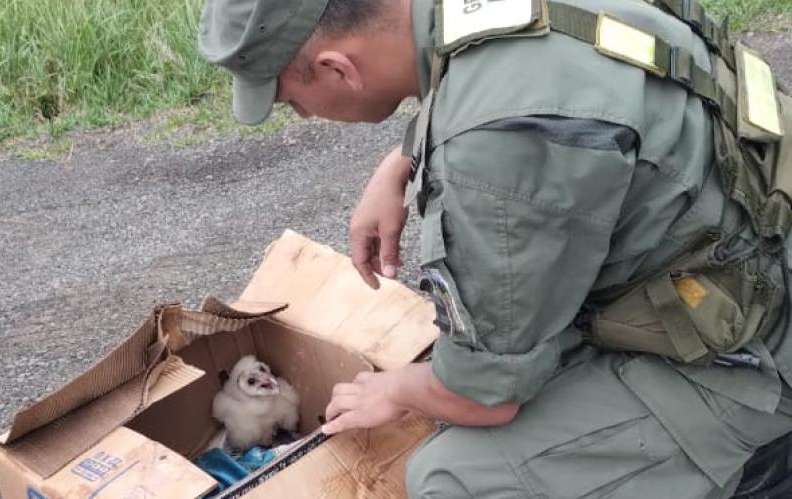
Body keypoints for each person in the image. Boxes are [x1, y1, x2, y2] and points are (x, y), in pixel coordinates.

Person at [199, 0, 792, 496]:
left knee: (452, 477)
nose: (301, 114)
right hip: (755, 240)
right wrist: (401, 163)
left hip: (753, 350)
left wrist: (396, 389)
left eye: (290, 102)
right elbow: (544, 71)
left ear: (337, 69)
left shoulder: (494, 148)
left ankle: (758, 464)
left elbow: (485, 395)